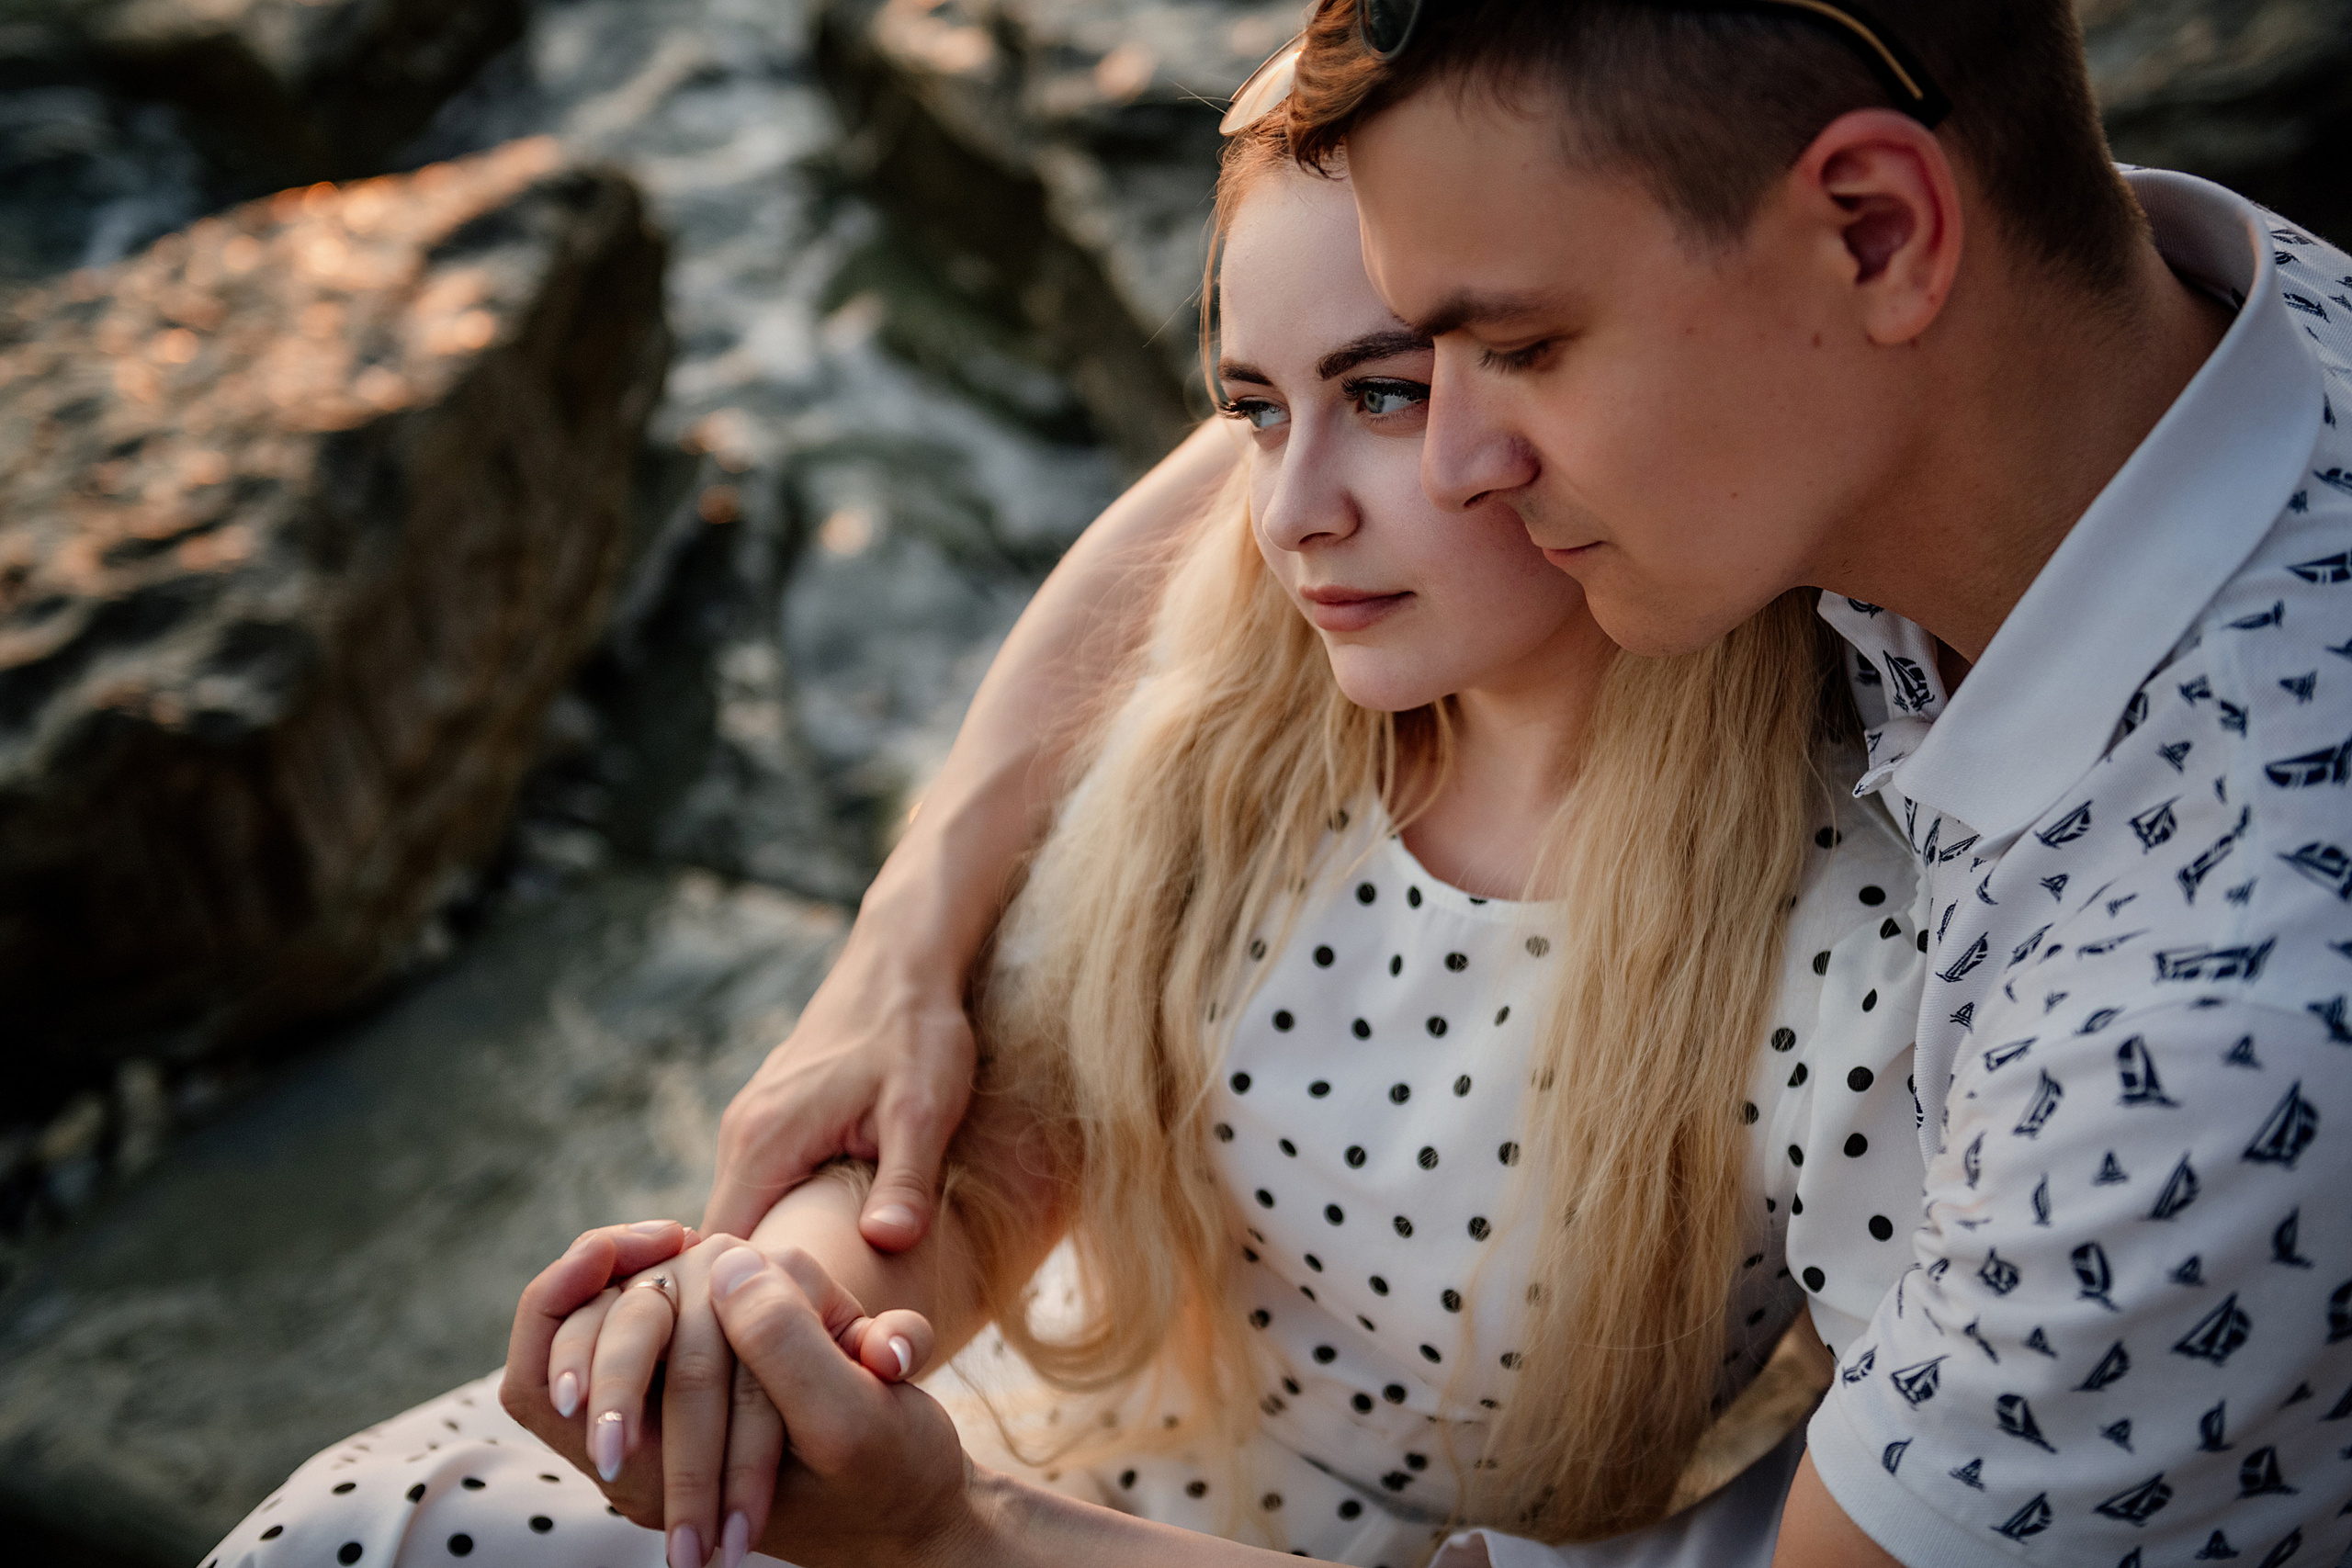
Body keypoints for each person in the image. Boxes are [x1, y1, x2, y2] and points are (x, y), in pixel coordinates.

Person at [622, 3, 2352, 1566]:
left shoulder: (2218, 1026)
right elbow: (1265, 467)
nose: (1442, 462)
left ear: (1880, 231)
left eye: (1506, 352)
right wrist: (913, 923)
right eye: (1408, 367)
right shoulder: (2062, 333)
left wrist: (939, 1531)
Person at [201, 121, 1928, 1568]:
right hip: (987, 1448)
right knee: (405, 1526)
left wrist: (943, 1522)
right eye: (1255, 406)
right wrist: (774, 1333)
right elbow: (983, 1160)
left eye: (1384, 398)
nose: (1288, 508)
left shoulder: (1847, 927)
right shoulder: (1245, 729)